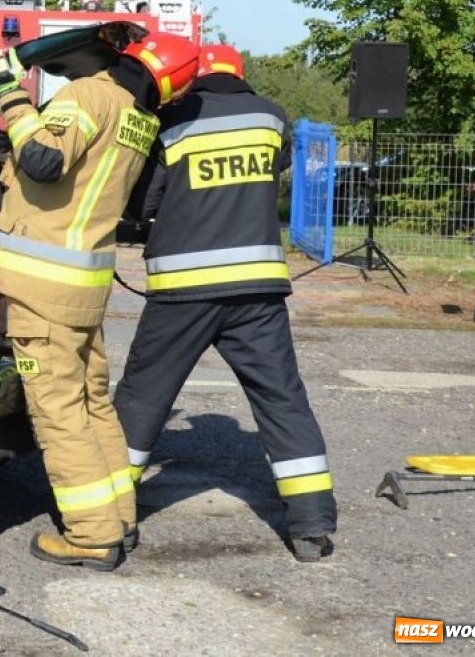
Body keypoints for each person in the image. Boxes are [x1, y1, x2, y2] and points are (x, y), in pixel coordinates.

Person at [0, 30, 199, 571]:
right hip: (83, 290)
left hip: (40, 289)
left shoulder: (88, 96)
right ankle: (118, 517)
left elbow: (43, 160)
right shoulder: (139, 118)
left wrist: (9, 89)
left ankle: (90, 535)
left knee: (59, 414)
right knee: (93, 406)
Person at [112, 42, 339, 562]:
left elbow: (143, 203)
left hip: (183, 291)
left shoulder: (172, 120)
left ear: (194, 79)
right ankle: (310, 527)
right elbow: (272, 172)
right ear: (241, 75)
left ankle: (111, 517)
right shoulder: (271, 117)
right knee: (282, 399)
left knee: (144, 398)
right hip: (258, 289)